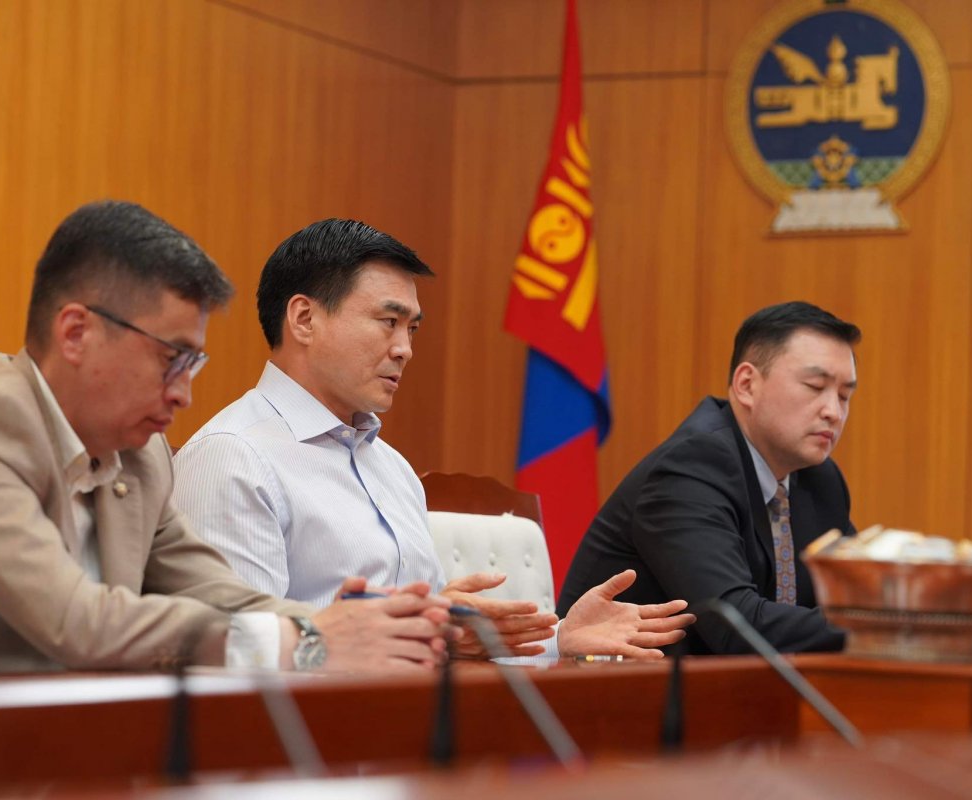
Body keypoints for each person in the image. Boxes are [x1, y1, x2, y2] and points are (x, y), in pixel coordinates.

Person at [0, 201, 449, 677]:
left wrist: (347, 628)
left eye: (192, 363)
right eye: (171, 358)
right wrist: (307, 642)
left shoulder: (139, 454)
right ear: (76, 333)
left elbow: (214, 590)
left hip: (63, 747)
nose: (184, 395)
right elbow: (78, 622)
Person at [173, 218, 694, 660]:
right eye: (388, 321)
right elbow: (237, 656)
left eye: (412, 329)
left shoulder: (392, 468)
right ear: (304, 319)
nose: (405, 349)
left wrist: (557, 640)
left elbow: (434, 645)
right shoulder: (233, 457)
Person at [557, 301, 972, 654]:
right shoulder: (690, 468)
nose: (833, 412)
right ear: (747, 384)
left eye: (845, 395)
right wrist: (934, 621)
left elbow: (856, 598)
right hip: (632, 712)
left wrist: (967, 600)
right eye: (815, 387)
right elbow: (736, 626)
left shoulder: (818, 479)